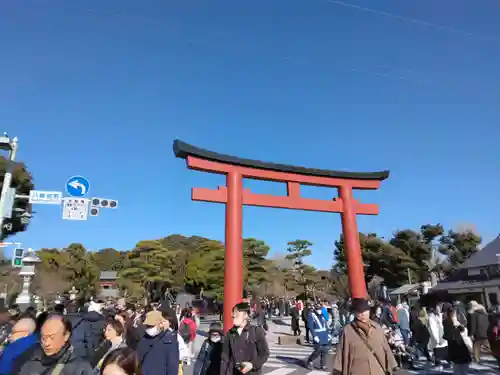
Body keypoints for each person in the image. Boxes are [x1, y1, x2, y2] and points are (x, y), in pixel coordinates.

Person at [333, 298, 398, 375]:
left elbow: (386, 350)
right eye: (359, 311)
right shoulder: (348, 331)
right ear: (354, 313)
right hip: (357, 371)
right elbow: (341, 354)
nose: (362, 314)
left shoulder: (377, 328)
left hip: (378, 371)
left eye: (365, 311)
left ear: (369, 311)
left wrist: (392, 367)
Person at [17, 314, 93, 375]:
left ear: (66, 336)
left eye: (52, 338)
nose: (46, 343)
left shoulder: (80, 367)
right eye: (43, 338)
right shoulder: (30, 360)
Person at [221, 302, 269, 375]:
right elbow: (225, 358)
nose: (233, 315)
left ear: (245, 315)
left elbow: (264, 353)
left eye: (236, 312)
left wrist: (252, 364)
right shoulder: (230, 333)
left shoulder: (256, 331)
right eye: (233, 313)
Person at [137, 310, 179, 375]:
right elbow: (138, 360)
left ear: (160, 324)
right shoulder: (143, 339)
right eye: (148, 326)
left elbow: (172, 367)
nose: (150, 328)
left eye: (152, 325)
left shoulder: (169, 341)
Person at [443, 307, 472, 375]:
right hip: (456, 343)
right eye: (453, 312)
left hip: (456, 343)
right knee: (459, 364)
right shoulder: (449, 321)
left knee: (459, 364)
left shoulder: (449, 320)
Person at [305, 303, 330, 370]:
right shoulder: (311, 315)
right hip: (318, 335)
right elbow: (310, 326)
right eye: (317, 309)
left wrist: (328, 334)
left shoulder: (322, 315)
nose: (319, 310)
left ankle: (323, 364)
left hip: (324, 334)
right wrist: (314, 336)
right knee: (318, 350)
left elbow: (325, 325)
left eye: (319, 309)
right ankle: (310, 361)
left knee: (325, 350)